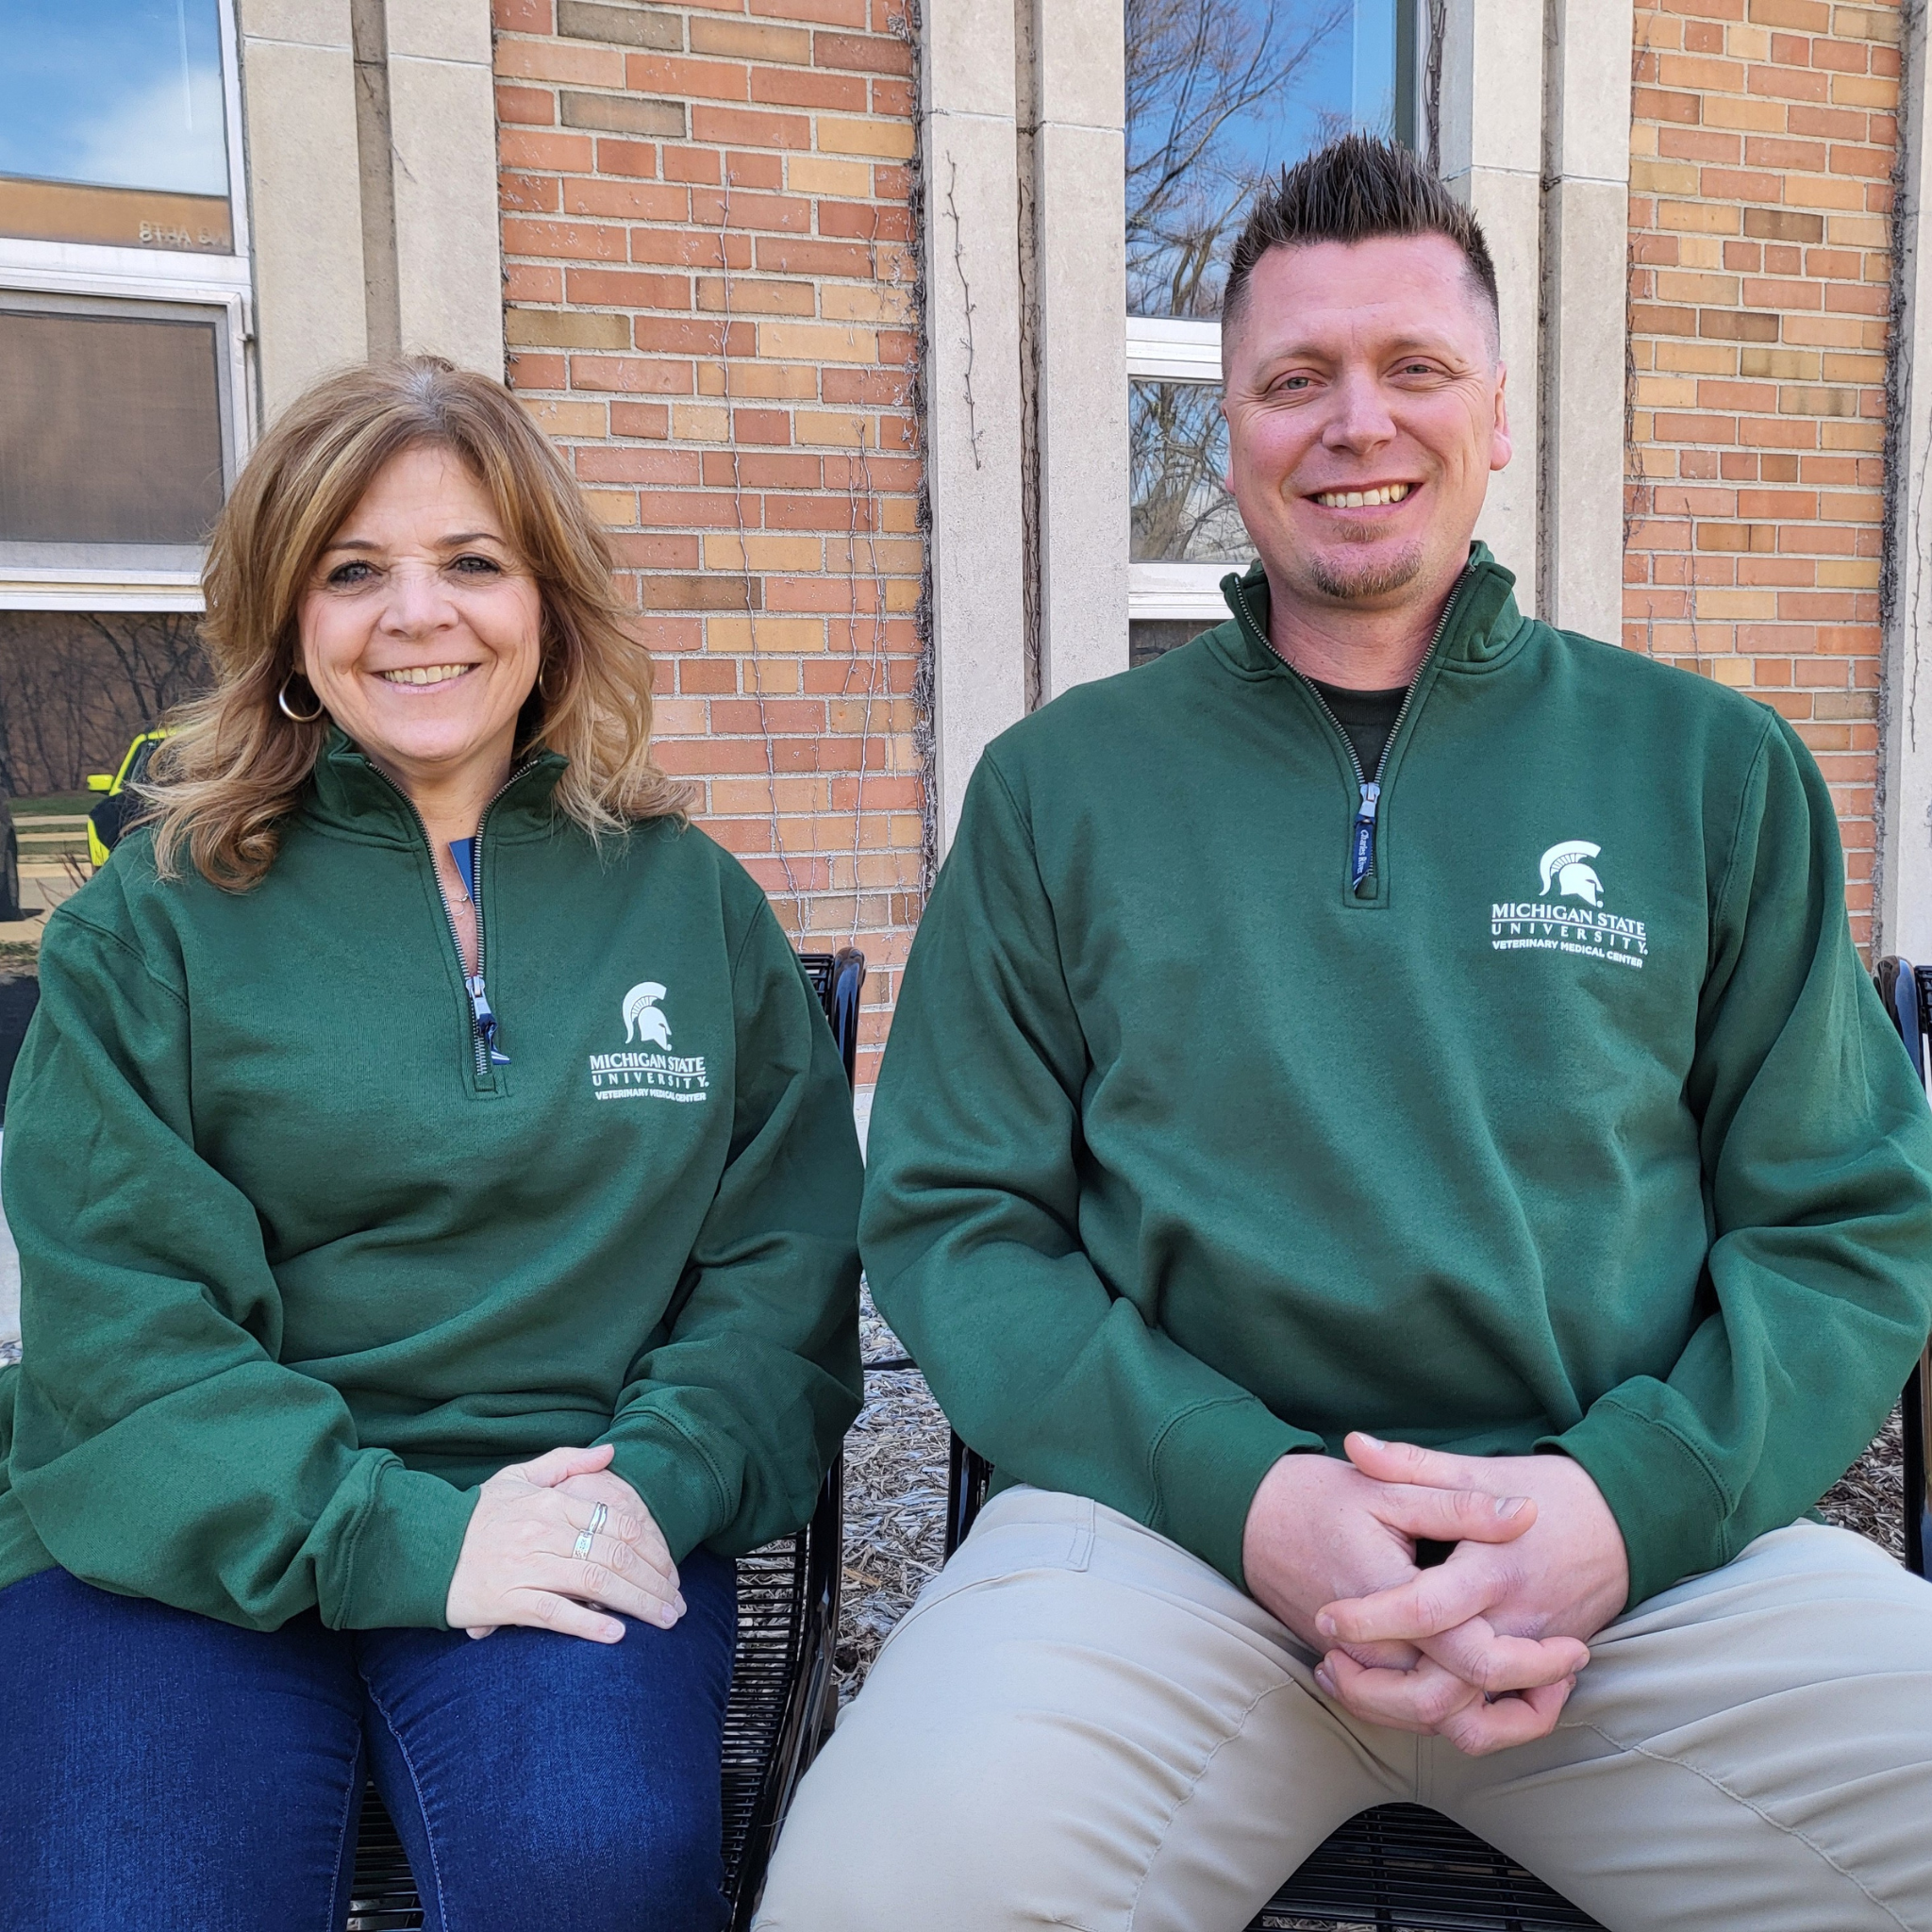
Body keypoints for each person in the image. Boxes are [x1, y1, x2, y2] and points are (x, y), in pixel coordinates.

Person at [754, 137, 1932, 1931]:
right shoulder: (1063, 791)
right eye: (1294, 380)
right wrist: (1257, 1497)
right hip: (1170, 1558)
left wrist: (1624, 1507)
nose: (1354, 422)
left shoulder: (1712, 772)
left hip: (1645, 1570)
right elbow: (955, 1219)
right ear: (1228, 428)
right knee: (883, 1889)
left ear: (1498, 418)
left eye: (1413, 371)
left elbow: (1844, 1223)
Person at [0, 358, 863, 1932]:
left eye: (472, 561)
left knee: (593, 1871)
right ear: (286, 621)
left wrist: (656, 1488)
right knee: (131, 1904)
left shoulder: (691, 904)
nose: (418, 615)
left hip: (564, 1499)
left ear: (548, 603)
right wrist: (400, 1539)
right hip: (185, 1530)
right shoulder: (151, 927)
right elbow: (116, 1338)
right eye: (352, 571)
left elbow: (782, 1279)